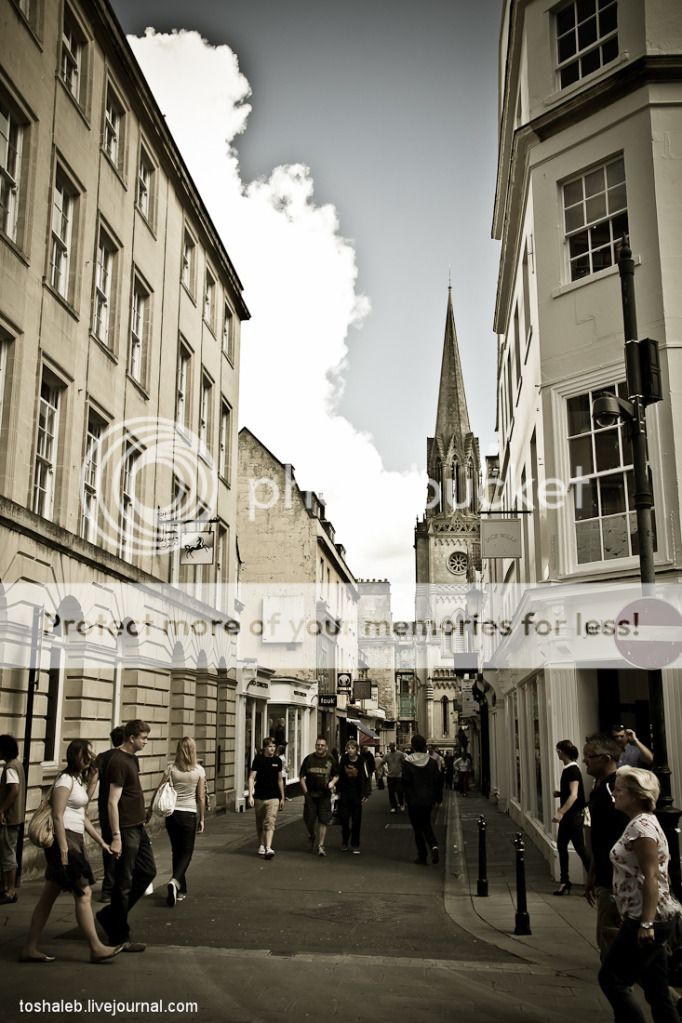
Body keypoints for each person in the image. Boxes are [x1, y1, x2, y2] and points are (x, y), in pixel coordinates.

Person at [21, 740, 122, 963]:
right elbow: (57, 815)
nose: (89, 759)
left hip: (74, 839)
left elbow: (81, 816)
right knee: (84, 893)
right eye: (85, 755)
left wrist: (102, 842)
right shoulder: (65, 780)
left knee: (48, 896)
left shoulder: (77, 780)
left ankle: (29, 947)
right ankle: (96, 947)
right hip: (65, 840)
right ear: (75, 756)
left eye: (90, 755)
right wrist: (64, 849)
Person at [598, 766, 681, 1022]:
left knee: (612, 979)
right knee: (657, 990)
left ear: (636, 795)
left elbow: (651, 877)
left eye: (619, 790)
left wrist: (645, 923)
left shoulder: (641, 828)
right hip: (651, 916)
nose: (614, 794)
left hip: (646, 918)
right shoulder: (641, 823)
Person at [95, 719, 156, 951]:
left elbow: (132, 792)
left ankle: (111, 916)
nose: (146, 742)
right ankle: (119, 936)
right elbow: (112, 802)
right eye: (143, 738)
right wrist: (116, 836)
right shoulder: (118, 761)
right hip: (126, 829)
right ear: (131, 738)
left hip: (137, 826)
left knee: (148, 871)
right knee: (124, 882)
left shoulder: (132, 759)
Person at [582, 734, 629, 959]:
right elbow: (600, 838)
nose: (585, 761)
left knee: (610, 943)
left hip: (616, 881)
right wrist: (592, 872)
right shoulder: (600, 789)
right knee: (607, 939)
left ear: (606, 758)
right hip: (605, 877)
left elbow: (619, 837)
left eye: (590, 756)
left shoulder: (616, 791)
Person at [156, 736, 206, 905]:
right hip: (189, 814)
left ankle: (181, 889)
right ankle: (175, 880)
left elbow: (160, 790)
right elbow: (200, 797)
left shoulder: (171, 769)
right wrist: (202, 818)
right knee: (186, 853)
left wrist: (149, 810)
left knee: (176, 851)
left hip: (172, 815)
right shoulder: (199, 771)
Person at [552, 739, 590, 895]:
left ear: (561, 752)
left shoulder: (572, 770)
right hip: (570, 816)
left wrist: (560, 812)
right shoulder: (569, 769)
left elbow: (574, 795)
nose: (557, 753)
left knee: (580, 848)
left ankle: (595, 882)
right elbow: (572, 792)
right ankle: (565, 881)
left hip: (573, 816)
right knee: (561, 846)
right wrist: (561, 794)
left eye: (558, 751)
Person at [94, 725, 125, 904]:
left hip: (104, 807)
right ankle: (116, 887)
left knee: (108, 846)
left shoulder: (102, 758)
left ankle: (107, 888)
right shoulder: (126, 758)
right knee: (123, 846)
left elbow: (92, 782)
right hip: (122, 809)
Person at [402, 734, 443, 865]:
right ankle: (434, 845)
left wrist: (404, 799)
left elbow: (405, 782)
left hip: (413, 800)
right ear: (424, 746)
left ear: (413, 746)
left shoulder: (408, 762)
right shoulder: (431, 762)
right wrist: (438, 798)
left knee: (417, 828)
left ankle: (422, 855)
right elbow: (438, 782)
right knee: (426, 824)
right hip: (428, 799)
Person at [299, 737, 338, 857]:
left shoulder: (331, 759)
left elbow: (337, 775)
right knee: (309, 819)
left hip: (324, 795)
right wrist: (305, 793)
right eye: (318, 745)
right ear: (315, 746)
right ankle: (312, 835)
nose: (320, 747)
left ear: (326, 747)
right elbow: (301, 777)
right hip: (310, 795)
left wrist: (332, 783)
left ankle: (321, 846)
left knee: (323, 820)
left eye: (322, 745)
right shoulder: (309, 759)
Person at [247, 738, 284, 860]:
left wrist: (282, 797)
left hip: (273, 797)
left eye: (274, 746)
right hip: (259, 796)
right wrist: (250, 795)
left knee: (270, 821)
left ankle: (268, 847)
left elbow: (280, 779)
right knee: (260, 822)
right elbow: (252, 778)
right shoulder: (258, 760)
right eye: (270, 746)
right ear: (264, 748)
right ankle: (261, 844)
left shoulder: (277, 761)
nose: (272, 748)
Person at [0, 734, 26, 905]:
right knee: (9, 852)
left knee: (7, 854)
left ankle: (9, 891)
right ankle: (8, 889)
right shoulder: (17, 764)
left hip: (9, 819)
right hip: (16, 817)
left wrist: (1, 809)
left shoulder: (10, 767)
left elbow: (14, 790)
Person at [337, 740, 371, 854]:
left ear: (356, 749)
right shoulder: (343, 759)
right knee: (344, 819)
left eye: (352, 748)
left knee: (356, 820)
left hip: (356, 794)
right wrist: (337, 790)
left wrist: (366, 793)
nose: (350, 750)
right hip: (345, 793)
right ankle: (345, 841)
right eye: (349, 748)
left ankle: (355, 844)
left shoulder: (362, 761)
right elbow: (339, 774)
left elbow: (366, 777)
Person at [384, 743, 405, 813]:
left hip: (399, 776)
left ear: (395, 746)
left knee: (399, 791)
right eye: (391, 746)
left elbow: (405, 763)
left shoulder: (400, 754)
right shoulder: (387, 755)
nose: (392, 747)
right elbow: (382, 762)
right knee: (391, 792)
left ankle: (401, 803)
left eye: (393, 745)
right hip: (390, 776)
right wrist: (379, 769)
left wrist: (404, 772)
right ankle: (393, 807)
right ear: (389, 747)